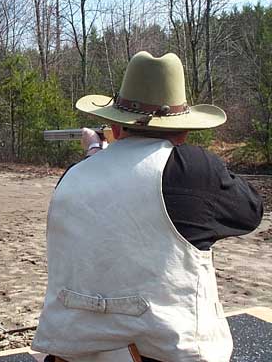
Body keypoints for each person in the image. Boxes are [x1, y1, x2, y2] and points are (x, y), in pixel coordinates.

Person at [32, 51, 263, 362]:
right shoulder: (193, 169)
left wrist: (96, 152)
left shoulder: (71, 176)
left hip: (71, 355)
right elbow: (250, 212)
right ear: (183, 131)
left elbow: (109, 191)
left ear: (116, 128)